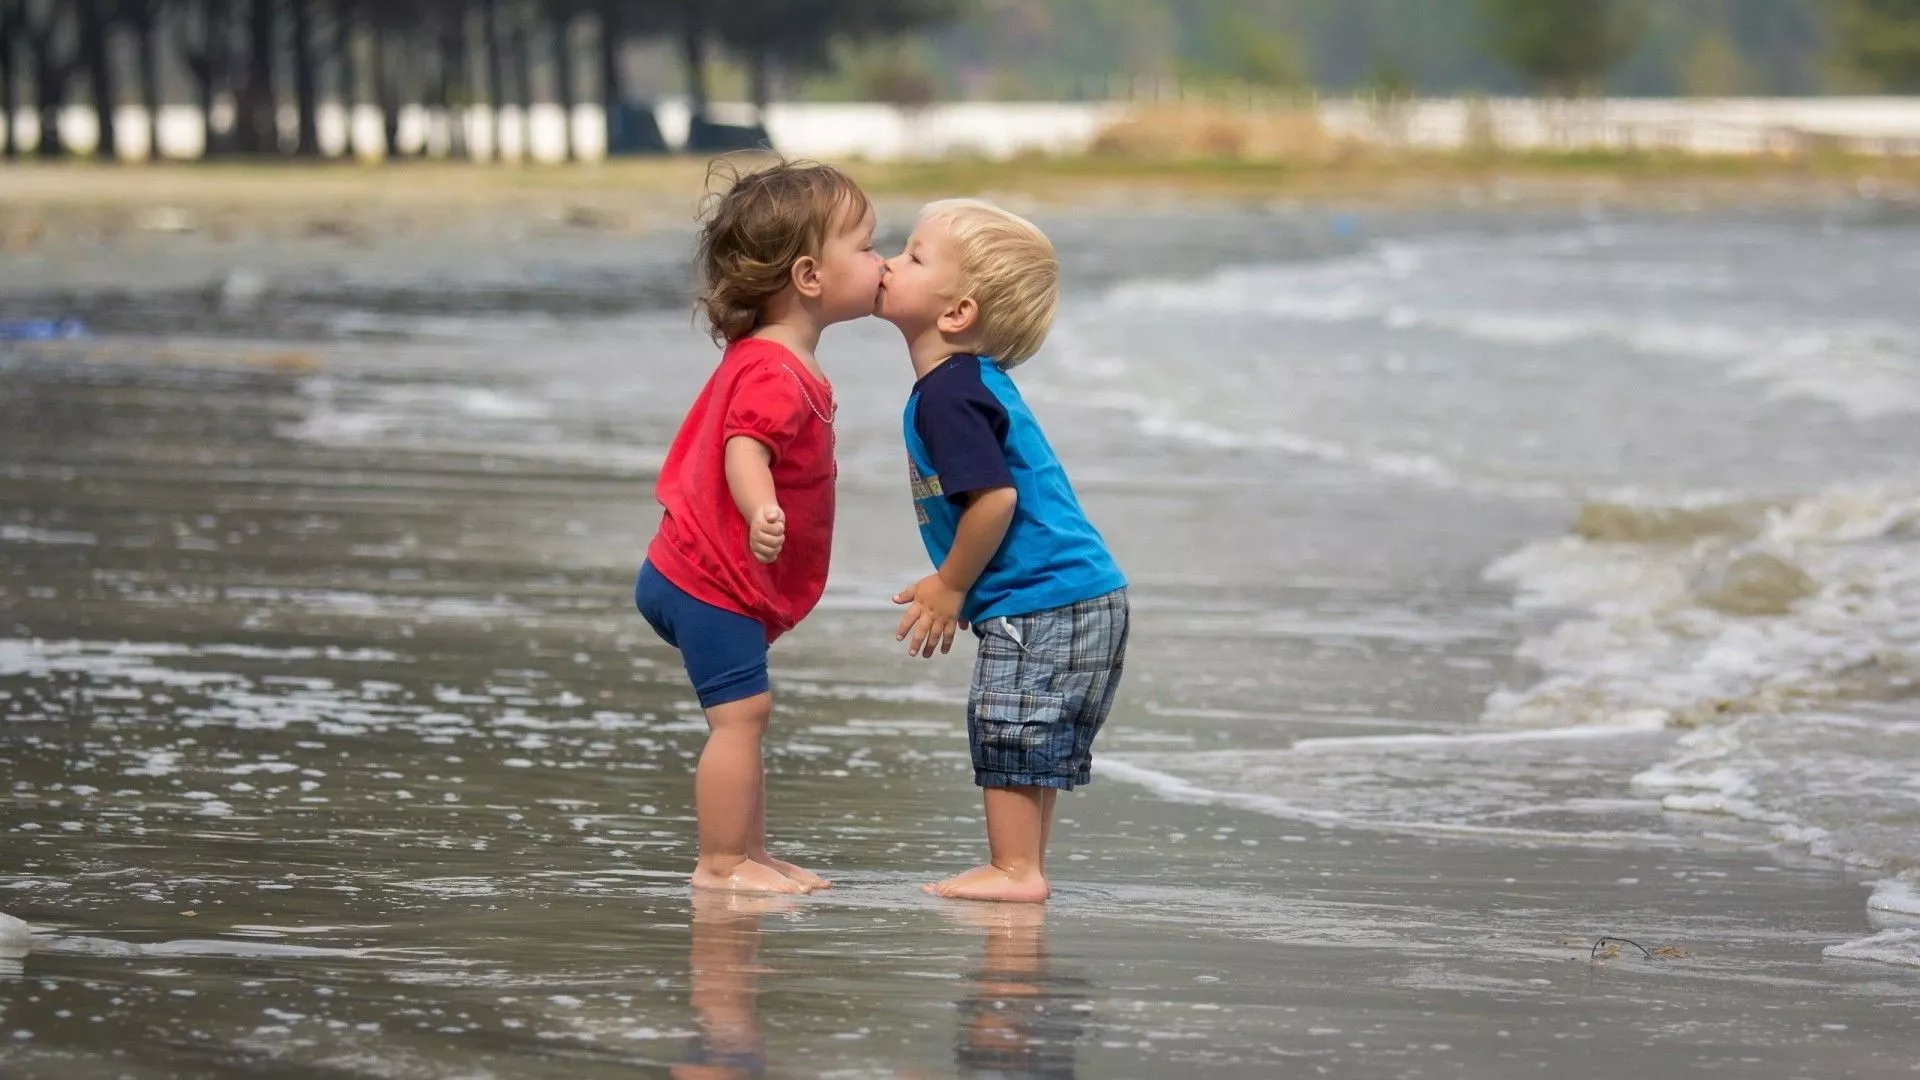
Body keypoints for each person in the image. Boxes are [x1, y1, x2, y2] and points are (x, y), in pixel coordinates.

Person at [637, 158, 884, 895]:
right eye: (867, 247)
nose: (882, 261)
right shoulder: (776, 369)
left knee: (746, 717)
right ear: (809, 276)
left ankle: (753, 854)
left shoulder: (779, 357)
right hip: (708, 578)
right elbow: (744, 446)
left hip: (699, 570)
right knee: (741, 717)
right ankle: (722, 863)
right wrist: (761, 508)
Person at [878, 199, 1129, 903]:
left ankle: (1015, 870)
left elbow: (994, 500)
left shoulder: (948, 395)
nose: (891, 263)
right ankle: (1025, 867)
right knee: (1029, 734)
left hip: (1044, 597)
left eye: (913, 256)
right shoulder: (968, 384)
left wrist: (950, 585)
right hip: (1079, 594)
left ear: (957, 312)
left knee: (1010, 724)